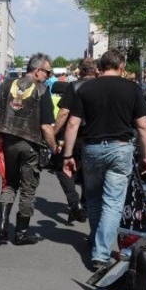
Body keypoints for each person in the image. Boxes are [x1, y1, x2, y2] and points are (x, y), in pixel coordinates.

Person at [62, 49, 146, 270]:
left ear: (102, 65)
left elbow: (73, 123)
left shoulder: (86, 87)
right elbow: (142, 126)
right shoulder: (132, 88)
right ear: (121, 65)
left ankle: (95, 239)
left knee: (93, 198)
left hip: (91, 148)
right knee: (113, 203)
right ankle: (101, 254)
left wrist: (68, 155)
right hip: (120, 148)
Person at [0, 52, 58, 245]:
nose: (48, 76)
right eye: (47, 72)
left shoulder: (5, 85)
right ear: (37, 71)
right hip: (30, 145)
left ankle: (2, 227)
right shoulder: (42, 90)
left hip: (7, 142)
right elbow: (46, 127)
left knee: (9, 183)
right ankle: (21, 233)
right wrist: (54, 148)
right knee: (28, 189)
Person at [52, 58, 97, 224]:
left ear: (81, 71)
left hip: (76, 134)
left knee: (60, 166)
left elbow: (64, 112)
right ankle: (83, 204)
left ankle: (74, 201)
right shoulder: (101, 86)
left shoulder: (74, 86)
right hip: (95, 136)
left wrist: (54, 132)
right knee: (88, 170)